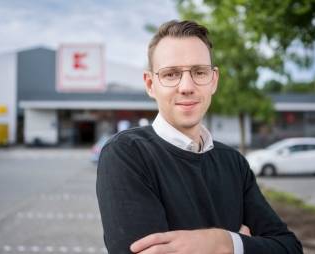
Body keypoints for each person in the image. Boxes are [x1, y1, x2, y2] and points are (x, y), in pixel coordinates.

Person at [96, 20, 303, 254]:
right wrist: (247, 244)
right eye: (171, 74)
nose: (186, 86)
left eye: (199, 72)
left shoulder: (234, 163)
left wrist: (222, 243)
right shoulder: (127, 154)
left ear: (213, 80)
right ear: (150, 84)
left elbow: (289, 248)